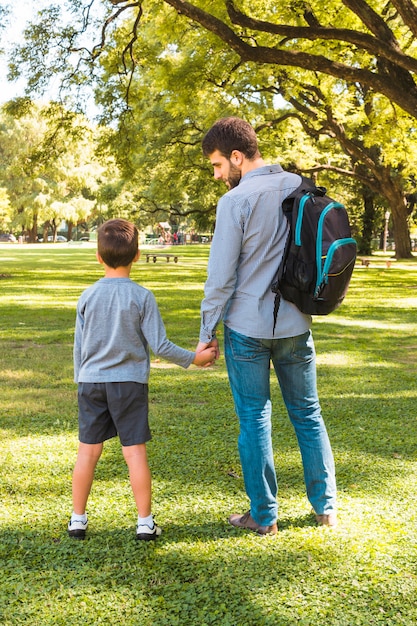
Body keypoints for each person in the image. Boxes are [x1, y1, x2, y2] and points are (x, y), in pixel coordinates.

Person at [196, 117, 337, 535]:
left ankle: (264, 516)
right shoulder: (300, 186)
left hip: (247, 328)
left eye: (219, 165)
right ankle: (325, 508)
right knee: (308, 413)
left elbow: (220, 277)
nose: (219, 175)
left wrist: (207, 331)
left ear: (237, 156)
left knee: (254, 418)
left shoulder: (235, 201)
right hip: (296, 324)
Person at [69, 218, 216, 541]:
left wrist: (83, 379)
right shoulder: (142, 297)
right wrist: (195, 359)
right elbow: (160, 346)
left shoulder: (87, 296)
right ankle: (144, 522)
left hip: (91, 383)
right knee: (134, 453)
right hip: (129, 385)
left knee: (87, 453)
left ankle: (77, 519)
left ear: (98, 256)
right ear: (137, 256)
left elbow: (79, 348)